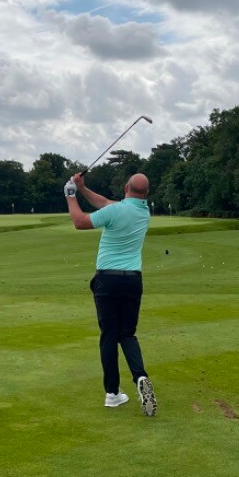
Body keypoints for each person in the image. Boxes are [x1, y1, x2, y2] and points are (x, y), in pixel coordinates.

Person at [64, 171, 157, 416]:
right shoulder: (143, 212)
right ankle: (140, 376)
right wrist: (83, 188)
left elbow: (79, 222)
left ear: (125, 188)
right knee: (127, 334)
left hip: (107, 280)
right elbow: (105, 202)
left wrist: (71, 195)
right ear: (145, 193)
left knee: (109, 335)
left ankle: (112, 394)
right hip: (133, 280)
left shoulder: (116, 211)